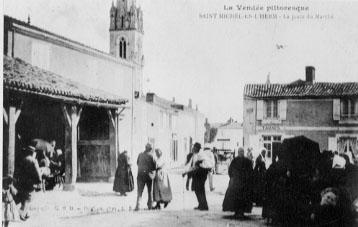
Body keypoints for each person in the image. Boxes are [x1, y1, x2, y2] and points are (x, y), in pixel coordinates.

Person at [222, 147, 254, 219]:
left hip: (239, 183)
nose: (241, 153)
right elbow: (251, 172)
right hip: (241, 183)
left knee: (238, 198)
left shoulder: (237, 160)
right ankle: (239, 212)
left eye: (241, 152)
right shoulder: (245, 161)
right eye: (240, 152)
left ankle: (239, 212)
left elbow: (230, 170)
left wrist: (232, 178)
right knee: (240, 198)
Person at [13, 143, 42, 221]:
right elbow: (38, 172)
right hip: (30, 182)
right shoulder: (33, 161)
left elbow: (17, 171)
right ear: (32, 152)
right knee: (29, 197)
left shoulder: (22, 160)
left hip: (22, 181)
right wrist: (39, 181)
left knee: (24, 196)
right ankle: (22, 213)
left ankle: (26, 213)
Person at [182, 142, 211, 211]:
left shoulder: (201, 155)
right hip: (197, 173)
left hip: (201, 173)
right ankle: (201, 204)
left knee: (200, 189)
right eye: (193, 147)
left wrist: (186, 173)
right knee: (197, 189)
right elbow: (192, 166)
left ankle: (204, 205)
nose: (193, 148)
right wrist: (186, 172)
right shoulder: (194, 155)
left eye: (194, 147)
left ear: (197, 148)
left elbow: (197, 166)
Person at [134, 143, 156, 211]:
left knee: (139, 191)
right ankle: (150, 205)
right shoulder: (151, 156)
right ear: (150, 149)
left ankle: (138, 206)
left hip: (140, 175)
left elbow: (137, 163)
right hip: (148, 176)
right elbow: (154, 167)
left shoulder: (140, 155)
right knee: (150, 191)